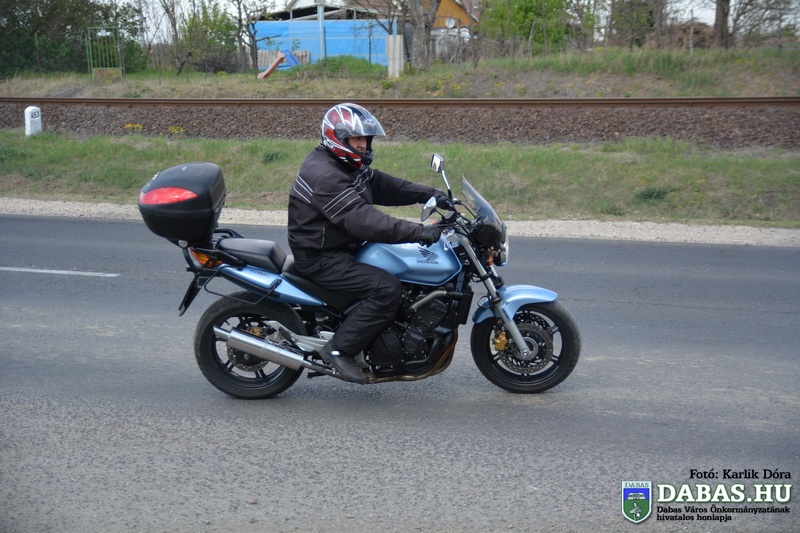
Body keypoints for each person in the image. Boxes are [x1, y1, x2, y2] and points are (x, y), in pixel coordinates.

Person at [287, 103, 445, 383]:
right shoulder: (326, 175)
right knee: (386, 289)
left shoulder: (345, 165)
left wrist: (430, 194)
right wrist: (417, 232)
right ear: (337, 138)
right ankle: (338, 351)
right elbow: (363, 221)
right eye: (356, 139)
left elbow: (382, 184)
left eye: (365, 139)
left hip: (341, 247)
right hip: (321, 257)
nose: (362, 144)